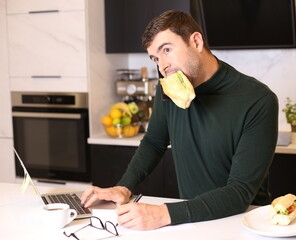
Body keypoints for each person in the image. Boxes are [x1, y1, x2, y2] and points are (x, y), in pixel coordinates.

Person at [81, 10, 278, 231]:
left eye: (167, 50)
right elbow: (154, 143)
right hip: (191, 220)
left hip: (245, 222)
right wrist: (124, 187)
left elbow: (240, 192)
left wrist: (163, 213)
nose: (162, 66)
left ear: (196, 41)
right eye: (155, 58)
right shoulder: (168, 88)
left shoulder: (258, 100)